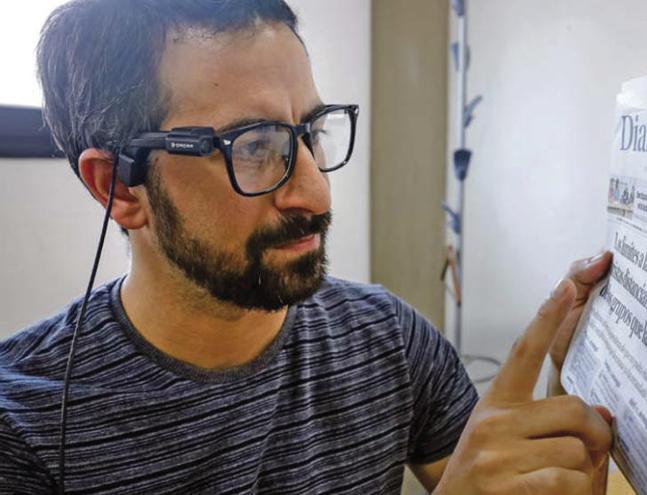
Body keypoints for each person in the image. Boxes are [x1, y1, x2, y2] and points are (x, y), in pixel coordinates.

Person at [0, 1, 613, 493]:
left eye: (310, 132)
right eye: (253, 145)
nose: (316, 193)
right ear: (119, 188)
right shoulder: (21, 427)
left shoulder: (387, 338)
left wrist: (568, 397)